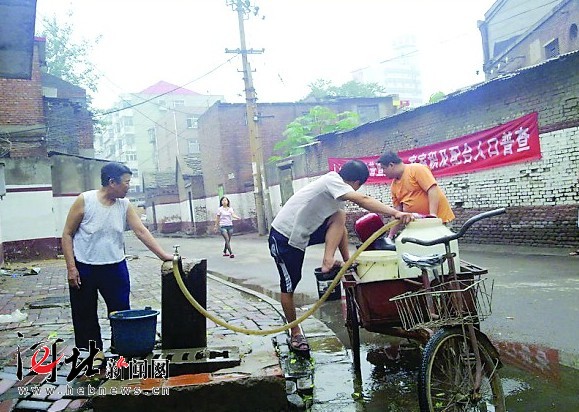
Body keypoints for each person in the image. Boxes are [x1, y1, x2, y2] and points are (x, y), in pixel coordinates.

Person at [268, 159, 414, 354]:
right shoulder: (332, 181)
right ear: (356, 182)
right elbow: (363, 200)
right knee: (289, 285)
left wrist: (348, 263)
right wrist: (395, 213)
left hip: (302, 233)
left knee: (339, 217)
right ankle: (295, 333)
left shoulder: (335, 194)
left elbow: (340, 228)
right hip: (283, 237)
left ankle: (337, 261)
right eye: (358, 186)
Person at [61, 162, 173, 365]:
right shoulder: (85, 200)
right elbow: (67, 234)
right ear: (112, 182)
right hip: (85, 265)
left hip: (115, 265)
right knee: (85, 311)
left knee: (121, 309)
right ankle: (95, 352)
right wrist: (71, 267)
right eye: (126, 182)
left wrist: (163, 255)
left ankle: (122, 346)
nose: (129, 186)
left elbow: (141, 231)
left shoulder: (124, 204)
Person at [377, 151, 455, 238]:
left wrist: (433, 215)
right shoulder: (394, 186)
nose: (383, 172)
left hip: (439, 221)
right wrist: (391, 236)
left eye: (383, 168)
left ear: (391, 165)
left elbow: (432, 189)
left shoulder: (416, 169)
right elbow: (398, 212)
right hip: (419, 226)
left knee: (442, 248)